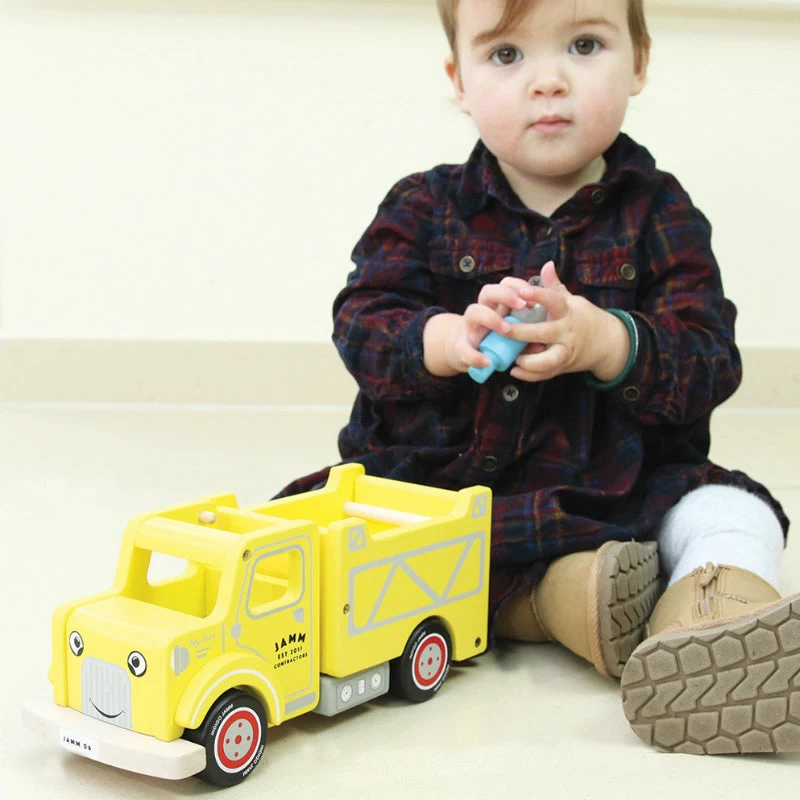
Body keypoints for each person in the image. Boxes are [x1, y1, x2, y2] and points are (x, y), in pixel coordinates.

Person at [277, 0, 795, 753]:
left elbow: (709, 356)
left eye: (584, 45)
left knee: (728, 507)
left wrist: (608, 341)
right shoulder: (423, 205)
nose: (548, 81)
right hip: (440, 492)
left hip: (624, 487)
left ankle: (720, 620)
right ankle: (561, 603)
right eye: (507, 56)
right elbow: (363, 321)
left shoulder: (660, 211)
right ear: (458, 78)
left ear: (640, 61)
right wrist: (447, 338)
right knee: (325, 532)